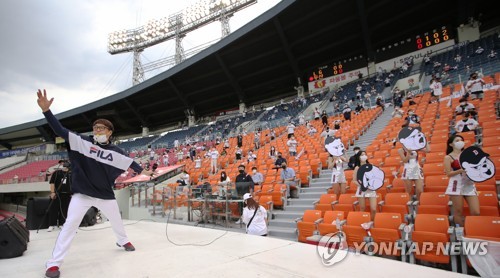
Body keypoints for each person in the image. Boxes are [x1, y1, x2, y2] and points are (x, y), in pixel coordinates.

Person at [37, 90, 155, 278]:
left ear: (109, 132)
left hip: (104, 194)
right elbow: (60, 130)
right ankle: (53, 264)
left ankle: (122, 241)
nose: (97, 130)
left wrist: (143, 171)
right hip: (82, 193)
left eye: (101, 128)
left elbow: (129, 163)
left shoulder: (116, 152)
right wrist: (46, 112)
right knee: (70, 225)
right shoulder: (82, 142)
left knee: (116, 220)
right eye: (95, 127)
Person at [444, 134, 479, 226]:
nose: (460, 142)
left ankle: (473, 230)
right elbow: (448, 174)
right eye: (457, 140)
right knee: (458, 211)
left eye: (461, 140)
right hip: (456, 184)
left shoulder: (468, 154)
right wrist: (460, 170)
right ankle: (460, 232)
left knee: (476, 211)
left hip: (469, 184)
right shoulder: (448, 157)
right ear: (451, 144)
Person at [47, 162, 72, 232]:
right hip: (57, 194)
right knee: (53, 209)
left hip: (67, 195)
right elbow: (52, 183)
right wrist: (52, 192)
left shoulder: (71, 174)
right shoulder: (57, 173)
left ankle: (62, 224)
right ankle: (51, 225)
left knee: (64, 210)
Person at [352, 151, 377, 221]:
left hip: (371, 188)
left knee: (373, 209)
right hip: (361, 189)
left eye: (365, 154)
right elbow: (354, 180)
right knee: (362, 208)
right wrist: (362, 185)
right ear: (359, 157)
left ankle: (371, 222)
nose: (364, 156)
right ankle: (363, 221)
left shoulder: (371, 165)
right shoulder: (357, 167)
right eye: (362, 155)